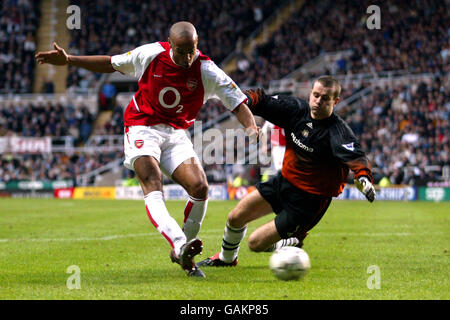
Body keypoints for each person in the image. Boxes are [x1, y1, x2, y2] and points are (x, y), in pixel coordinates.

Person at [35, 21, 260, 278]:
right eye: (180, 51)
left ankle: (183, 249)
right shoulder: (151, 54)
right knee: (153, 180)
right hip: (141, 126)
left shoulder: (207, 70)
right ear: (169, 44)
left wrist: (251, 127)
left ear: (197, 45)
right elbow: (111, 63)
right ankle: (178, 243)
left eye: (192, 50)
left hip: (176, 133)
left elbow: (238, 103)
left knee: (200, 188)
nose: (187, 58)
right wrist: (70, 60)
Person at [198, 76, 376, 267]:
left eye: (325, 98)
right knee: (235, 217)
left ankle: (294, 240)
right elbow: (262, 100)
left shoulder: (338, 132)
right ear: (310, 94)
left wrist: (364, 178)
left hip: (309, 202)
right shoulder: (296, 110)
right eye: (316, 95)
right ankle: (226, 260)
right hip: (284, 182)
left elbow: (358, 159)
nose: (318, 101)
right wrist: (244, 100)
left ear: (335, 101)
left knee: (255, 244)